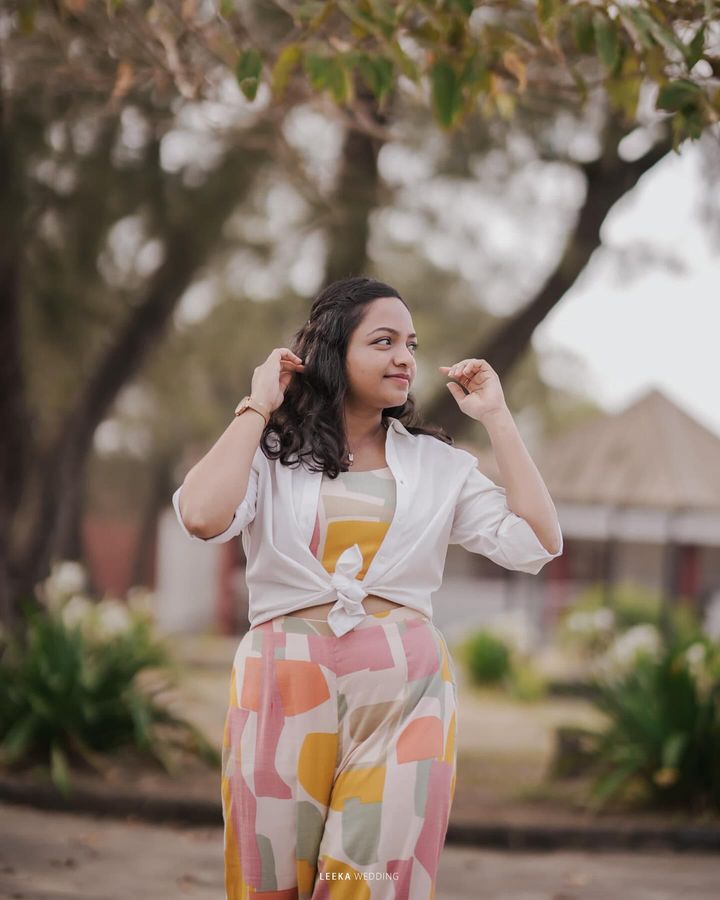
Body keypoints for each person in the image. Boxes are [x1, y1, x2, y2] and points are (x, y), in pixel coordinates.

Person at [172, 276, 563, 899]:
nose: (404, 357)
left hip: (406, 695)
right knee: (268, 880)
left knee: (372, 880)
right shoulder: (269, 452)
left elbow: (538, 542)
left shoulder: (438, 465)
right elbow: (200, 515)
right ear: (334, 352)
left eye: (410, 343)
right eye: (383, 341)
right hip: (281, 683)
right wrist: (257, 407)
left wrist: (497, 418)